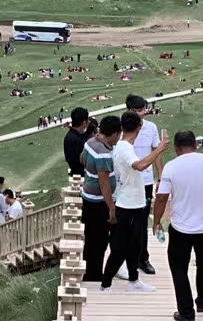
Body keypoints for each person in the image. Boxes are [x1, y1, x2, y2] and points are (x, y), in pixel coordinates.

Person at [154, 130, 203, 321]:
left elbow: (162, 198)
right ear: (195, 145)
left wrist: (156, 221)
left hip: (181, 228)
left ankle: (187, 313)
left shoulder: (171, 167)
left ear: (176, 148)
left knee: (179, 268)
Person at [100, 110, 170, 294]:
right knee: (120, 248)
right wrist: (159, 149)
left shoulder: (123, 147)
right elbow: (139, 166)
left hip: (135, 203)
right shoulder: (124, 148)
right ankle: (105, 284)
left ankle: (134, 280)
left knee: (135, 245)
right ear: (138, 128)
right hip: (127, 205)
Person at [81, 115, 122, 282]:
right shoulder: (104, 154)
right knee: (100, 241)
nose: (119, 137)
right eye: (118, 134)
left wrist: (89, 172)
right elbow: (104, 183)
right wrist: (111, 207)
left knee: (90, 238)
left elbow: (82, 159)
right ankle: (94, 275)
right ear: (113, 134)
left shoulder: (90, 142)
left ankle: (89, 271)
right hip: (99, 203)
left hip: (87, 197)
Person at [126, 94, 163, 276]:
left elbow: (156, 152)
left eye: (143, 109)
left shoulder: (151, 127)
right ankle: (126, 259)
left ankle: (143, 258)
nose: (143, 113)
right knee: (126, 222)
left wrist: (160, 177)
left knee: (142, 222)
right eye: (139, 110)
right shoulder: (122, 126)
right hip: (126, 181)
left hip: (146, 181)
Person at [63, 107, 90, 177]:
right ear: (84, 123)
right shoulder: (80, 141)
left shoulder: (68, 136)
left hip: (74, 173)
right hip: (82, 176)